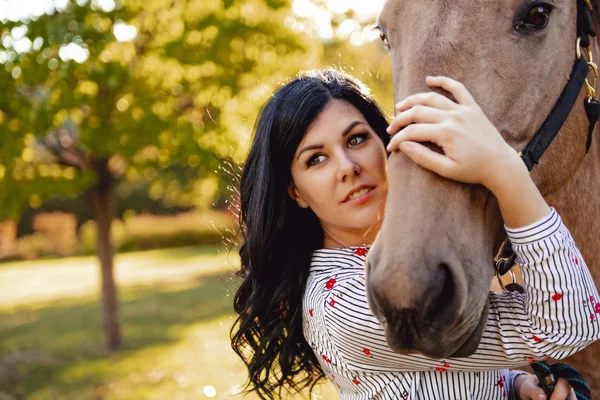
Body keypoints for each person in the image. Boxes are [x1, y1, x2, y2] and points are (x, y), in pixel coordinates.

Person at [230, 69, 600, 400]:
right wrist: (504, 170)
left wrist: (516, 386)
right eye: (316, 159)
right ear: (295, 192)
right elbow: (568, 326)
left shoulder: (409, 260)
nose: (347, 167)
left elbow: (444, 372)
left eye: (357, 139)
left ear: (389, 143)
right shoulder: (340, 304)